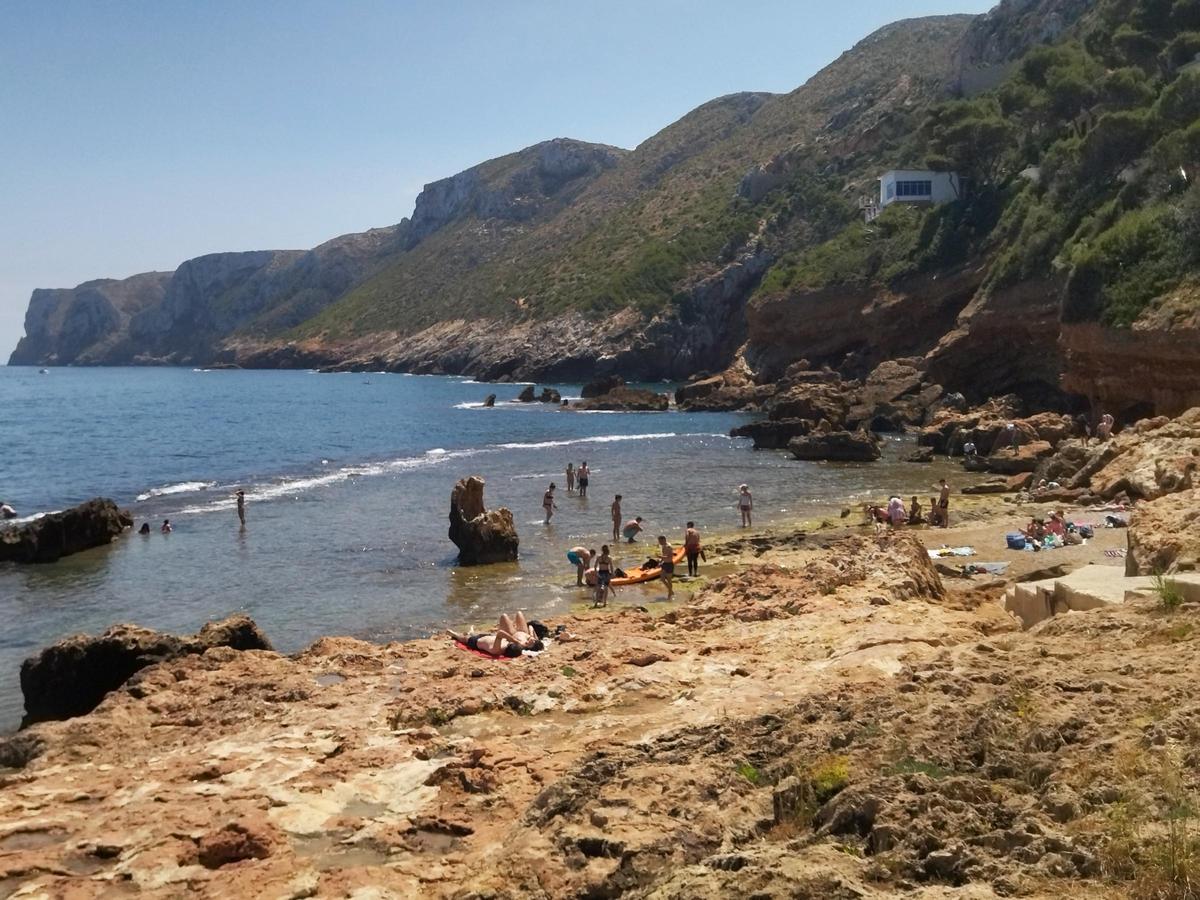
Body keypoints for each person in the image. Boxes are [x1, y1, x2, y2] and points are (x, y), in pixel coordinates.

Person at [447, 613, 548, 659]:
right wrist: (532, 637)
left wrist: (516, 641)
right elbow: (530, 628)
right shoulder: (506, 646)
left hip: (477, 641)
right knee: (518, 614)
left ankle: (454, 634)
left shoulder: (497, 650)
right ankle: (471, 631)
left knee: (463, 638)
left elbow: (500, 634)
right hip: (490, 637)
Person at [657, 535, 675, 601]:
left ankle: (669, 595)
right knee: (662, 579)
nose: (659, 542)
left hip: (669, 564)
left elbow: (670, 557)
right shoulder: (663, 546)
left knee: (669, 580)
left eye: (660, 541)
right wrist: (660, 562)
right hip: (664, 564)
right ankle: (671, 591)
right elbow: (664, 556)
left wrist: (660, 557)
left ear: (663, 540)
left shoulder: (668, 547)